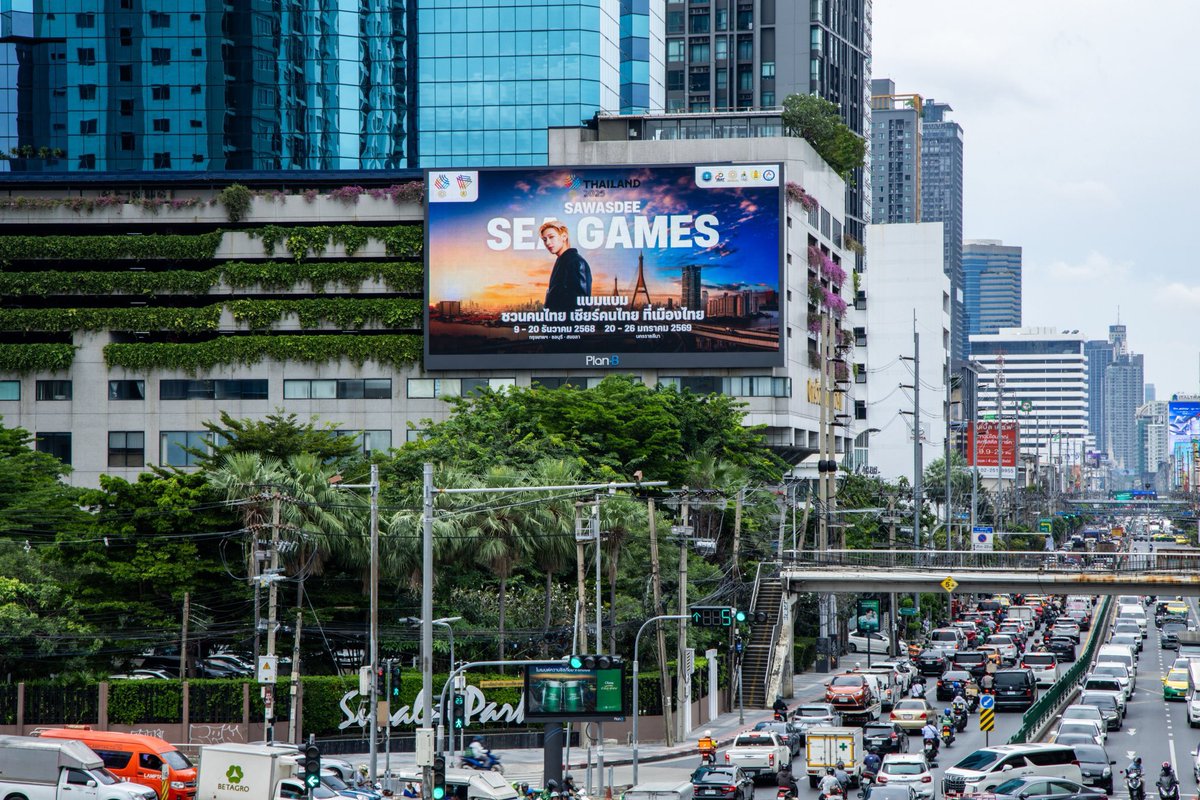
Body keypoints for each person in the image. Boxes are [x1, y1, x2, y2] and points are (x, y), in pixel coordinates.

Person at [540, 221, 592, 312]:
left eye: (551, 237)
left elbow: (582, 307)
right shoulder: (562, 262)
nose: (547, 243)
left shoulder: (576, 262)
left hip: (567, 325)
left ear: (564, 237)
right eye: (544, 240)